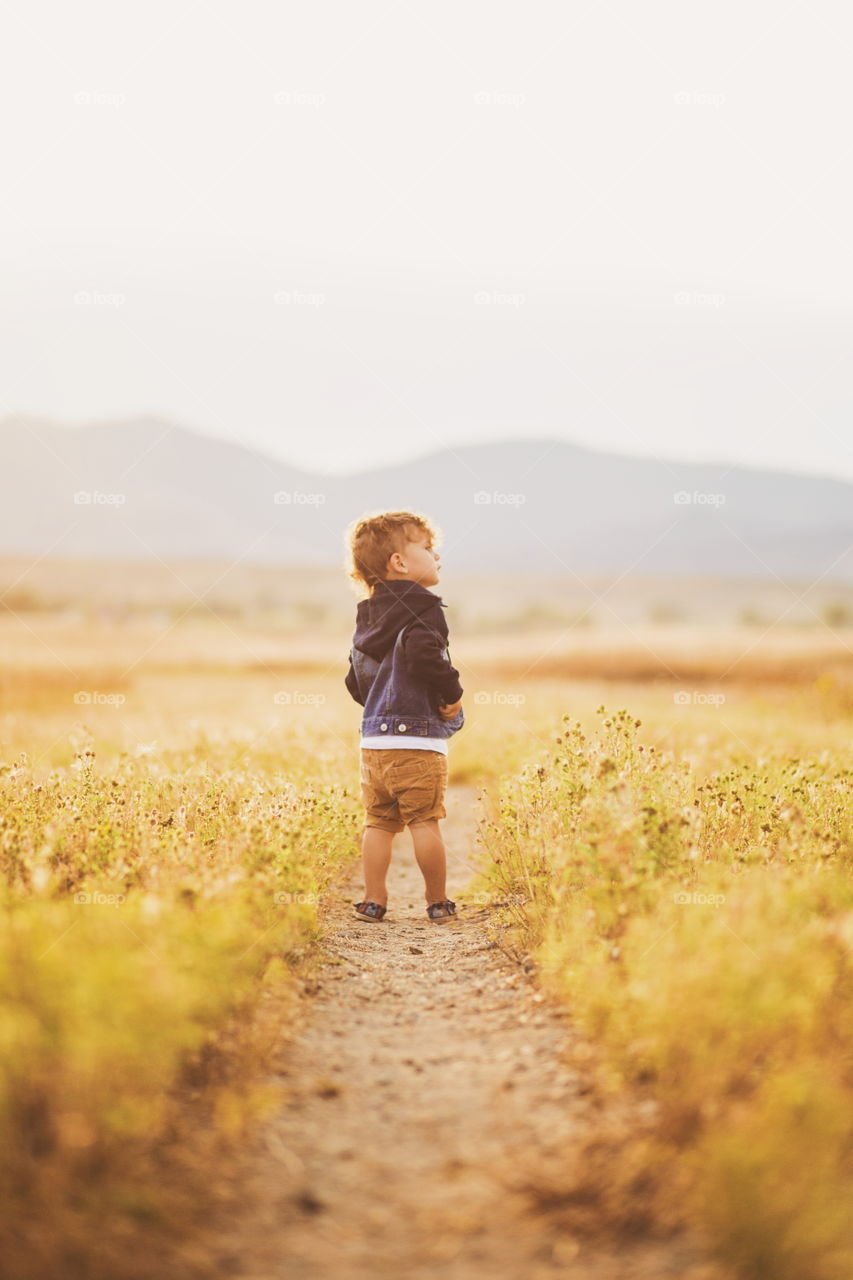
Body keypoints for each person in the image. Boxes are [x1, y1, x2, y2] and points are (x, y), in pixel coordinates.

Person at [343, 510, 465, 924]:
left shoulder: (367, 616)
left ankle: (373, 901)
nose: (437, 556)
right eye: (428, 549)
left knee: (378, 823)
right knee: (424, 821)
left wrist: (379, 708)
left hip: (374, 743)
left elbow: (354, 678)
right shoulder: (424, 608)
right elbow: (423, 655)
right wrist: (452, 692)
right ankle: (437, 901)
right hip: (416, 740)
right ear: (400, 562)